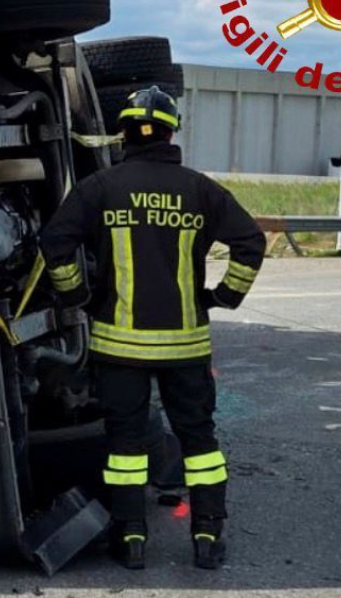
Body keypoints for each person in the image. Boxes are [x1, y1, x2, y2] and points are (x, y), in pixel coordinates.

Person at [37, 86, 266, 570]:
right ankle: (206, 536)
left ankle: (132, 540)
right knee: (200, 442)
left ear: (123, 132)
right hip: (185, 346)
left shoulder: (100, 188)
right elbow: (250, 242)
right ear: (170, 131)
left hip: (119, 348)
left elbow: (55, 239)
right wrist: (225, 297)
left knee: (126, 447)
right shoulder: (200, 189)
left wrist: (76, 294)